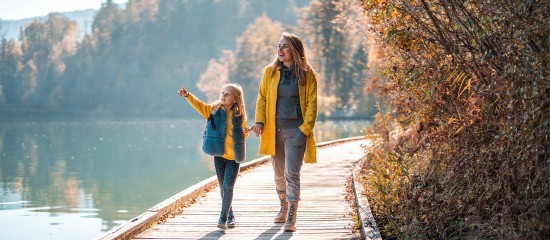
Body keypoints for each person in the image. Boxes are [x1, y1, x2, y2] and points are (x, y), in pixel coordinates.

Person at [250, 32, 318, 232]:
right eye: (278, 46)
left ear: (295, 50)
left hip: (296, 131)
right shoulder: (269, 72)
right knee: (279, 174)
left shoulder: (307, 74)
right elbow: (261, 98)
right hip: (273, 130)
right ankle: (283, 206)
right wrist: (259, 121)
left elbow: (312, 104)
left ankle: (292, 215)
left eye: (285, 46)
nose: (280, 50)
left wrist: (304, 130)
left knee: (291, 173)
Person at [178, 83, 249, 230]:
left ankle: (222, 219)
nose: (223, 96)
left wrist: (246, 131)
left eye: (227, 94)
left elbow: (242, 135)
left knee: (228, 187)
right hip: (218, 155)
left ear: (235, 99)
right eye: (222, 92)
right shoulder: (213, 110)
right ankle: (230, 216)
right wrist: (187, 95)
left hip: (233, 158)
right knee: (223, 188)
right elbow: (199, 105)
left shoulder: (239, 116)